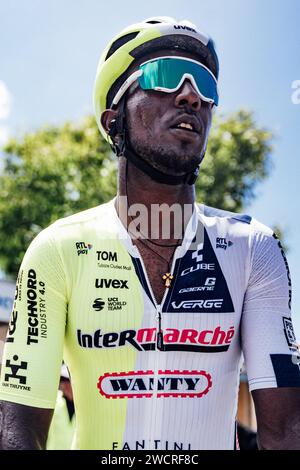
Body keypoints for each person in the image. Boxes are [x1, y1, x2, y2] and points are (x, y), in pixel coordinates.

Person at [0, 16, 300, 451]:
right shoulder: (57, 250)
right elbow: (18, 433)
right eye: (164, 76)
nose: (190, 96)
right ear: (113, 119)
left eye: (206, 87)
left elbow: (286, 431)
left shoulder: (252, 247)